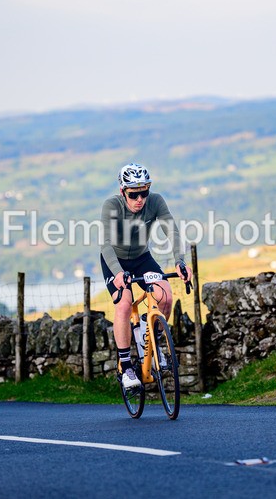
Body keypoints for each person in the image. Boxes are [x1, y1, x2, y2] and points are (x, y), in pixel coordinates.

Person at [100, 162, 192, 389]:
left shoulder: (156, 201)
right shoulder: (112, 205)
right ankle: (126, 367)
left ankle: (150, 338)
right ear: (123, 192)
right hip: (115, 261)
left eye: (144, 192)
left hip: (142, 258)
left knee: (166, 296)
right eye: (134, 194)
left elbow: (172, 231)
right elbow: (105, 244)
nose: (140, 199)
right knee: (124, 302)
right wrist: (119, 274)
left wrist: (180, 261)